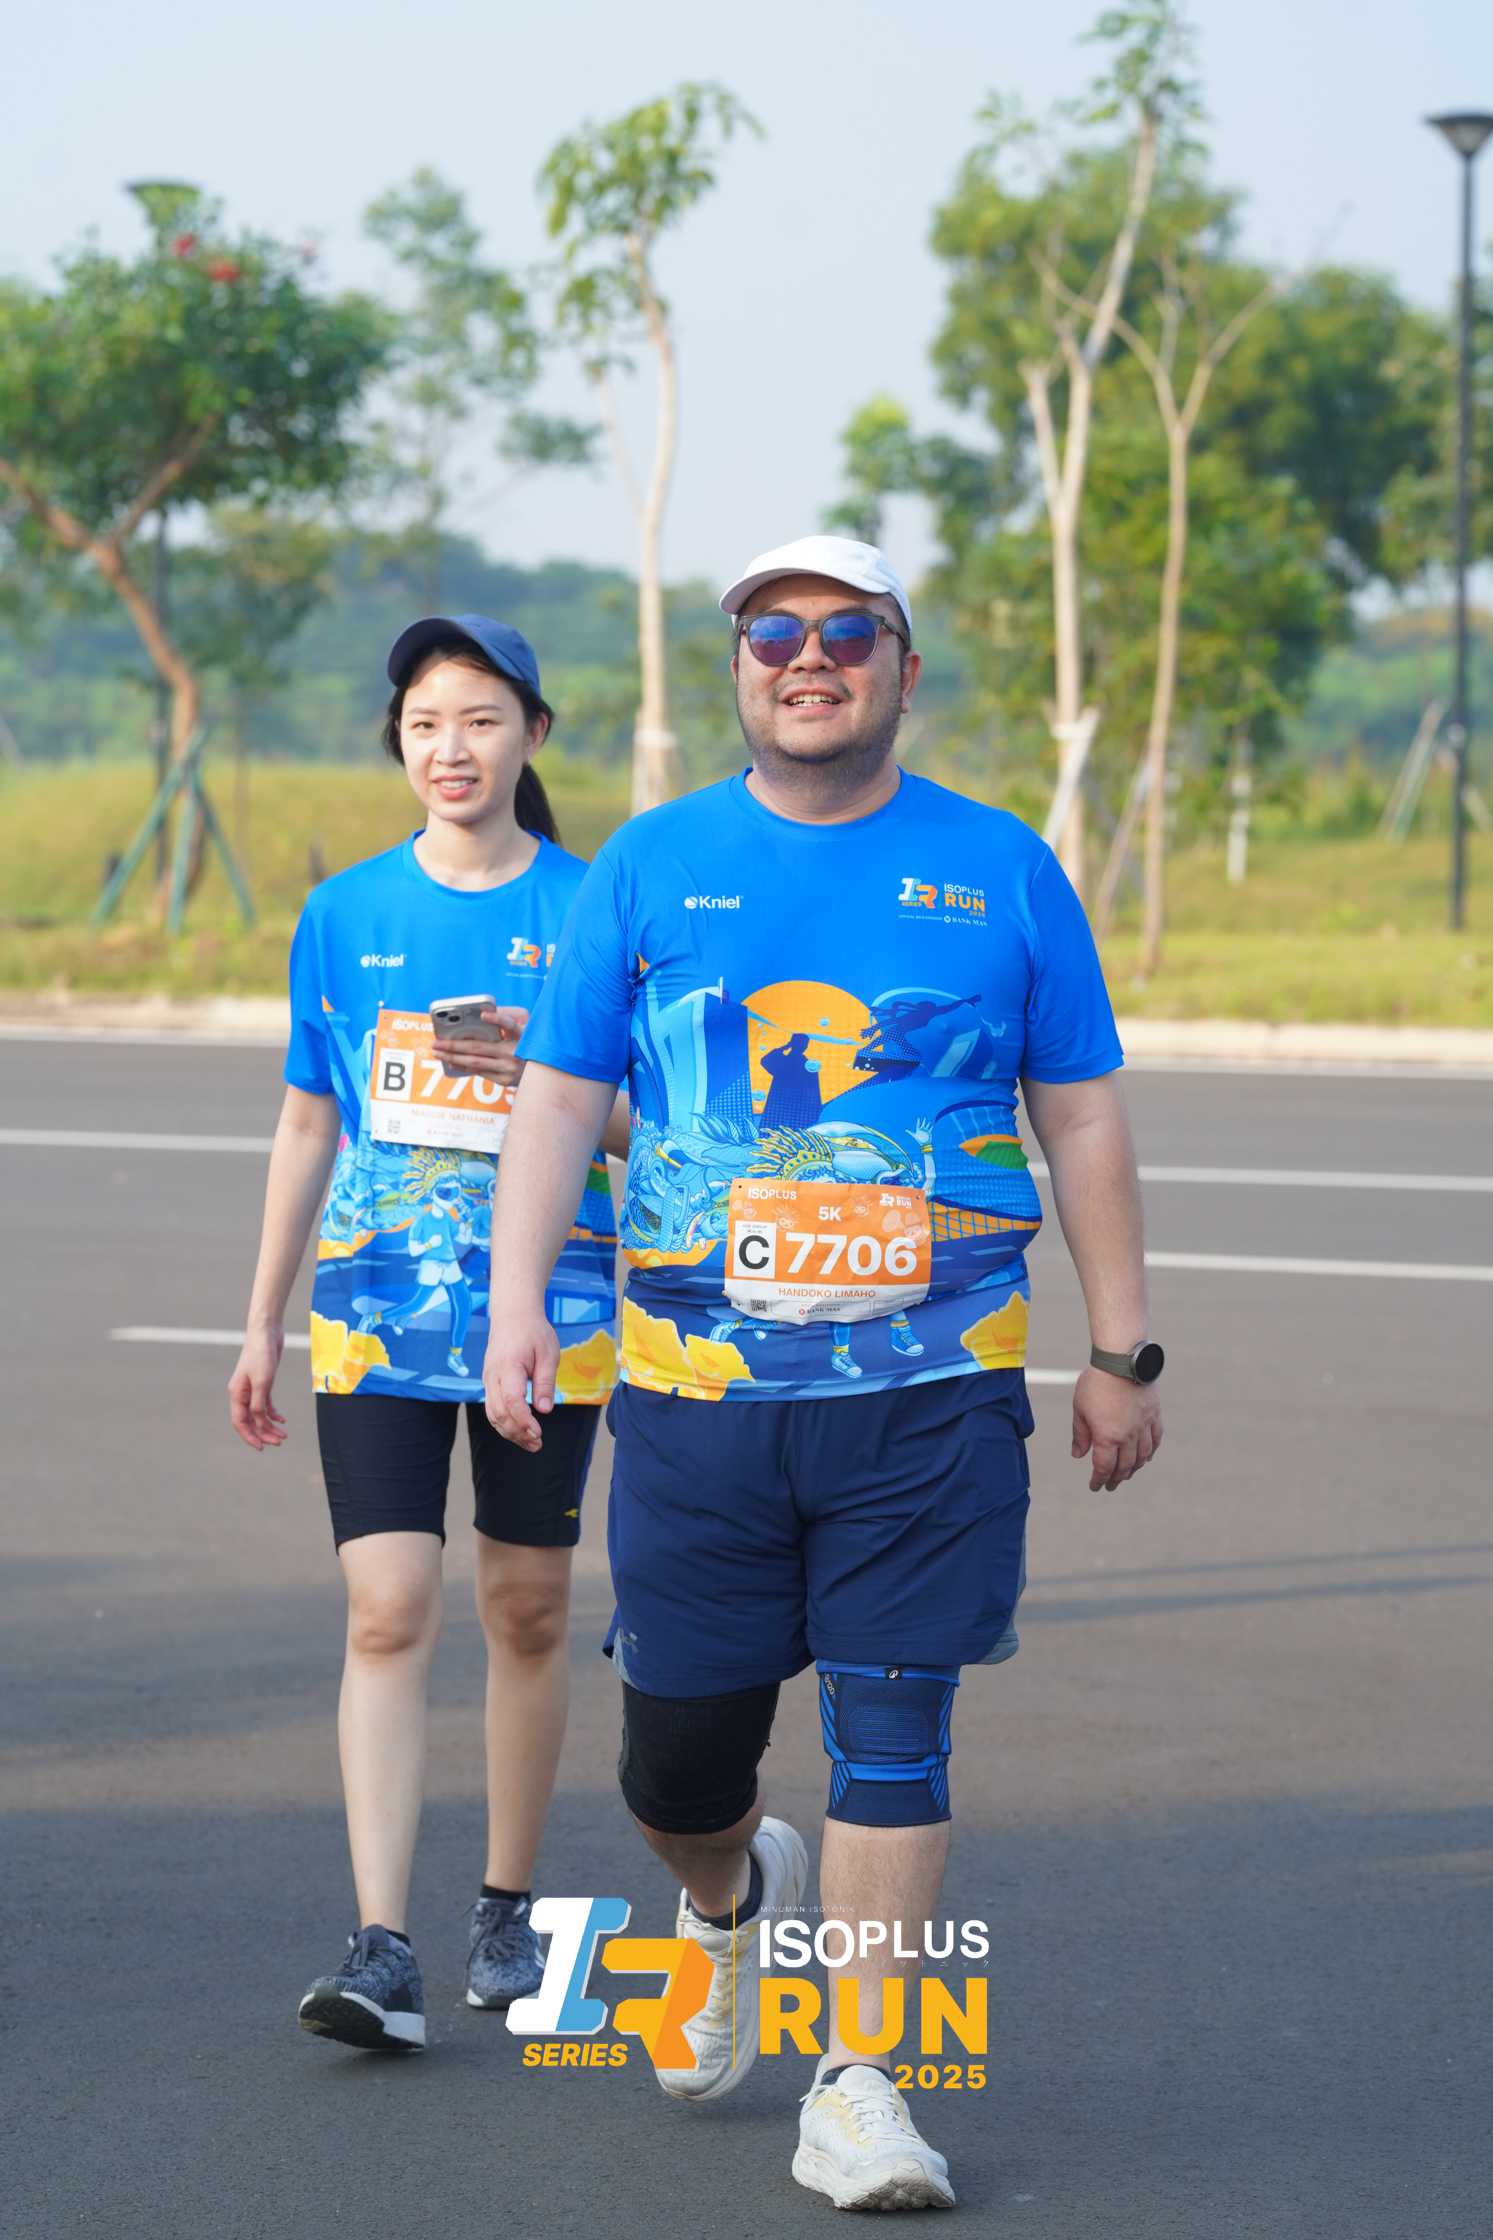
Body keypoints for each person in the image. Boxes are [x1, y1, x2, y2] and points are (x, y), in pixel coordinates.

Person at [482, 535, 1164, 2208]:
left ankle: (857, 2084)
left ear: (901, 671)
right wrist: (516, 1305)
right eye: (773, 630)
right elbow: (560, 1096)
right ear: (738, 668)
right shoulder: (650, 863)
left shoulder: (1001, 868)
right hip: (693, 1403)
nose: (808, 656)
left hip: (932, 1402)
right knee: (676, 1771)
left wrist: (1118, 1347)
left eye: (847, 632)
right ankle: (724, 1906)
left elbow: (1077, 1110)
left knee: (896, 1730)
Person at [229, 613, 627, 2054]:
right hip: (375, 1306)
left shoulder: (596, 904)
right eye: (422, 725)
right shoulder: (341, 913)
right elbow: (306, 1123)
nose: (449, 749)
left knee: (525, 1610)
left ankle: (504, 1913)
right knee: (387, 1606)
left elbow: (644, 1121)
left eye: (478, 719)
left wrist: (532, 1075)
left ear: (532, 733)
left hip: (552, 1313)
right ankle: (380, 1944)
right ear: (398, 744)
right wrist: (262, 1321)